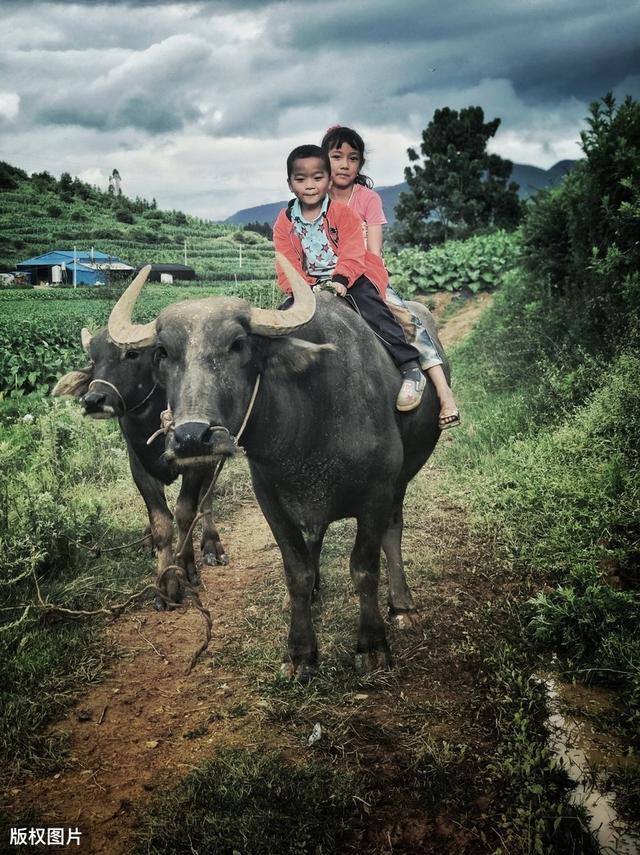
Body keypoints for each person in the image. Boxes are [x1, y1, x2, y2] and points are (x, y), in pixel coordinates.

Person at [321, 125, 460, 430]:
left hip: (365, 275)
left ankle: (443, 392)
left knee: (406, 320)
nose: (345, 164)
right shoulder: (315, 199)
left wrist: (347, 275)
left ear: (360, 164)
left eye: (353, 158)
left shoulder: (367, 199)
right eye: (336, 156)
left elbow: (373, 250)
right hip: (323, 282)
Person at [273, 144, 427, 412]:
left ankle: (410, 367)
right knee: (280, 323)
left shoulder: (343, 213)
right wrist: (300, 290)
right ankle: (277, 386)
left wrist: (341, 280)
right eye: (301, 179)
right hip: (309, 284)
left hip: (350, 277)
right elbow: (285, 262)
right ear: (290, 184)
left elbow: (353, 249)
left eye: (317, 178)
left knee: (374, 311)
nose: (309, 185)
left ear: (329, 180)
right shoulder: (285, 221)